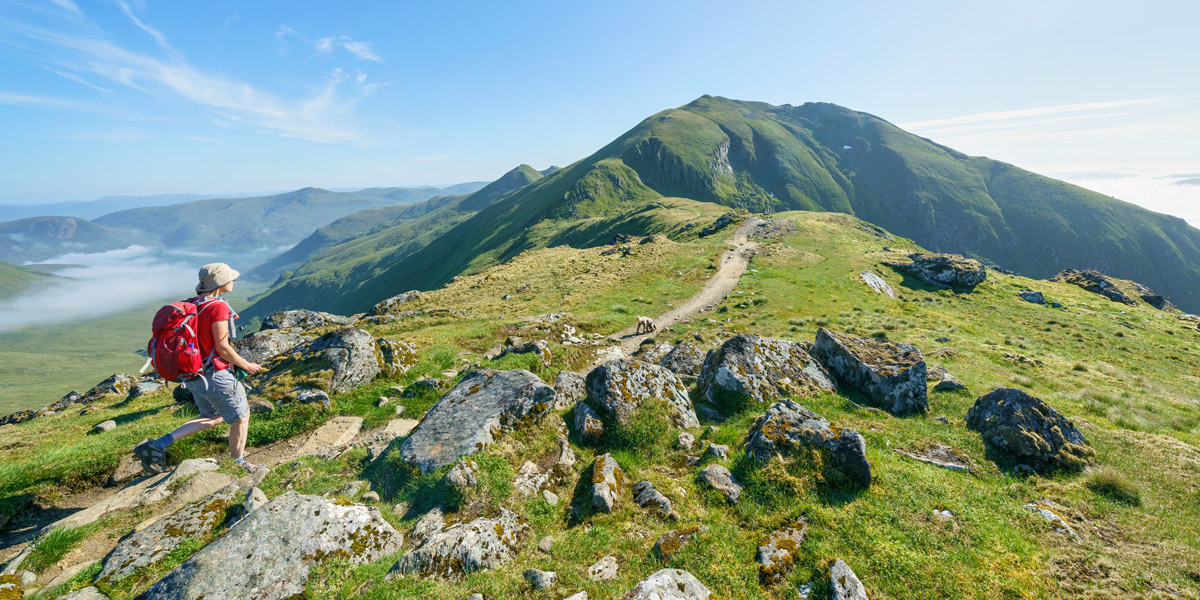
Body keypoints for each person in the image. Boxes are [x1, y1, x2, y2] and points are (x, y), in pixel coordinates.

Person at [134, 263, 264, 473]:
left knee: (213, 417)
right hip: (216, 375)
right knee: (241, 417)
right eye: (231, 278)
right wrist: (246, 365)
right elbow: (222, 347)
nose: (234, 281)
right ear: (221, 283)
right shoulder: (218, 306)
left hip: (194, 375)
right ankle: (238, 465)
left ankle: (156, 446)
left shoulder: (192, 304)